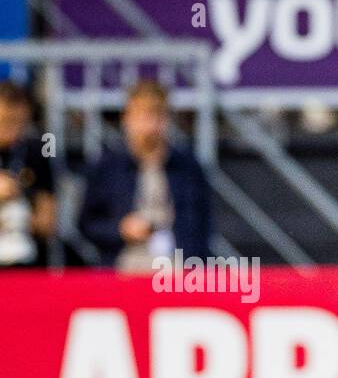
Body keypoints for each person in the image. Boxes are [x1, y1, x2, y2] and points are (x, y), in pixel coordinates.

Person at [78, 80, 211, 272]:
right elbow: (87, 224)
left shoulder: (187, 167)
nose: (148, 124)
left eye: (155, 114)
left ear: (166, 119)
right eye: (141, 115)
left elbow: (203, 226)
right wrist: (120, 229)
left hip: (177, 268)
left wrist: (196, 267)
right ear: (127, 118)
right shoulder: (108, 167)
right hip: (123, 266)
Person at [0, 81, 56, 268]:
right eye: (6, 121)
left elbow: (47, 224)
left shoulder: (37, 153)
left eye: (20, 123)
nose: (14, 130)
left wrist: (21, 207)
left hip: (27, 259)